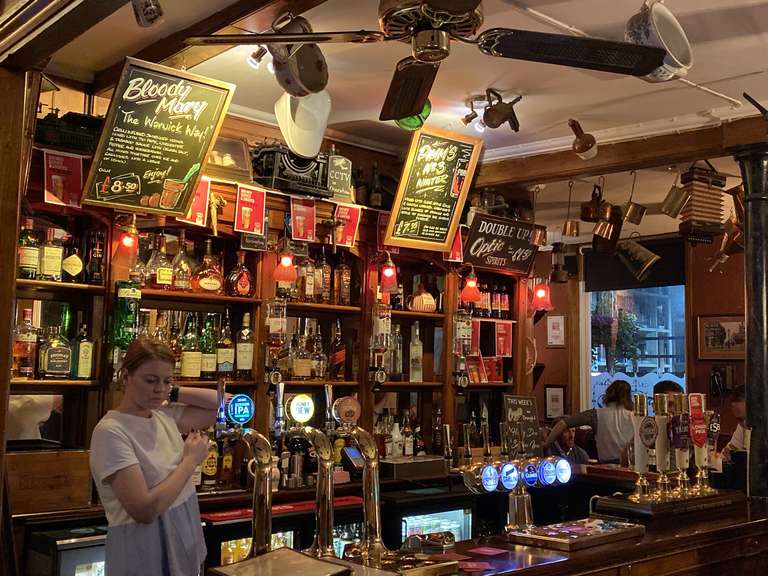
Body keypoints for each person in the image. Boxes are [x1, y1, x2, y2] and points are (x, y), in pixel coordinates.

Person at [90, 338, 223, 576]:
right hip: (142, 551)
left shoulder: (164, 415)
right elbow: (144, 510)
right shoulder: (111, 432)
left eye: (167, 381)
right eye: (150, 380)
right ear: (126, 377)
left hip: (182, 545)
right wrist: (190, 462)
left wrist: (175, 392)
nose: (159, 389)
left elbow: (227, 406)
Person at [543, 380, 634, 464]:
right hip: (629, 466)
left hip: (606, 467)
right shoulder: (634, 417)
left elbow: (562, 423)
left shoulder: (595, 414)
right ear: (628, 397)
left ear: (608, 394)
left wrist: (546, 444)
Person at [722, 385, 748, 460]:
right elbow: (725, 455)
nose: (745, 424)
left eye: (748, 418)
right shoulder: (742, 428)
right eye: (740, 419)